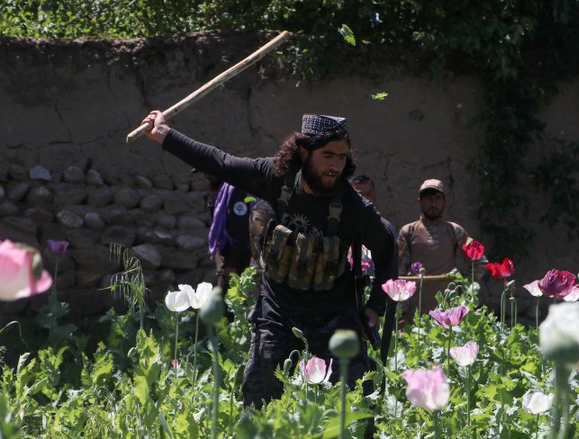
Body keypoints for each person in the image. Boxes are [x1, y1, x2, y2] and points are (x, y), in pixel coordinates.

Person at [141, 110, 395, 409]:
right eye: (328, 155)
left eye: (341, 157)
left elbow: (387, 246)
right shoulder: (275, 178)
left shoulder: (353, 206)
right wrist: (165, 135)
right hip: (279, 309)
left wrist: (375, 306)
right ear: (304, 152)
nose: (336, 165)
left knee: (354, 405)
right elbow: (221, 163)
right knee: (257, 396)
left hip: (334, 313)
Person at [397, 179, 487, 318]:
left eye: (437, 198)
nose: (433, 203)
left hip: (448, 311)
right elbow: (399, 273)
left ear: (444, 202)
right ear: (419, 201)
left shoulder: (454, 230)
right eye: (428, 198)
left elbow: (480, 263)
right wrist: (402, 311)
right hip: (415, 313)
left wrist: (463, 289)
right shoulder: (408, 231)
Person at [202, 172, 260, 290]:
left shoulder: (236, 191)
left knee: (230, 301)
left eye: (207, 172)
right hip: (229, 259)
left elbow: (240, 231)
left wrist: (231, 264)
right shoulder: (222, 191)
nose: (205, 176)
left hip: (238, 262)